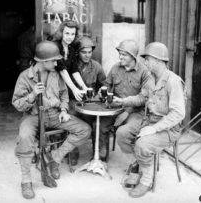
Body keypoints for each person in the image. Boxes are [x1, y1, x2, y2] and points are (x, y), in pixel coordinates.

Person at [12, 40, 91, 199]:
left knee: (85, 129)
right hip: (33, 116)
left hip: (54, 114)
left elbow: (63, 94)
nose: (57, 63)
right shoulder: (25, 77)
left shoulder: (56, 73)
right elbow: (18, 104)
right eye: (53, 60)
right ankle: (26, 181)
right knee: (24, 137)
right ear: (42, 61)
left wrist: (63, 109)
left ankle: (54, 158)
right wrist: (33, 94)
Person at [113, 42, 185, 198]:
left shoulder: (173, 81)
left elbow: (178, 113)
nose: (145, 62)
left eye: (148, 59)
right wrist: (124, 103)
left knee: (142, 144)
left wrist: (154, 128)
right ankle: (140, 163)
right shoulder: (151, 78)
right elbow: (142, 97)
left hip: (168, 128)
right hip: (149, 120)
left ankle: (146, 179)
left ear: (158, 61)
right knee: (122, 133)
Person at [102, 39, 153, 159]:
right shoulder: (115, 68)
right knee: (99, 124)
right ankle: (101, 154)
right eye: (119, 53)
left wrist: (126, 112)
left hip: (136, 112)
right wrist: (103, 90)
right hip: (116, 108)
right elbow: (107, 85)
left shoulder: (144, 72)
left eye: (124, 54)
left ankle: (137, 161)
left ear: (133, 56)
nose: (120, 57)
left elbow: (143, 98)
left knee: (123, 133)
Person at [73, 36, 108, 160]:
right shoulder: (72, 65)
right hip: (73, 102)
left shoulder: (96, 66)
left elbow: (105, 84)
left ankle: (99, 152)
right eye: (84, 52)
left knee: (98, 122)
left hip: (90, 102)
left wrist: (99, 93)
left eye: (89, 52)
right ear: (77, 52)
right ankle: (72, 151)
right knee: (71, 120)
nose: (87, 55)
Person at [52, 20, 88, 101]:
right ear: (61, 33)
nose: (70, 37)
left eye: (72, 34)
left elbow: (74, 70)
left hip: (62, 86)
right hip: (51, 85)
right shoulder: (55, 46)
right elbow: (62, 69)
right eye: (67, 33)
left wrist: (84, 87)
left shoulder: (70, 49)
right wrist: (74, 89)